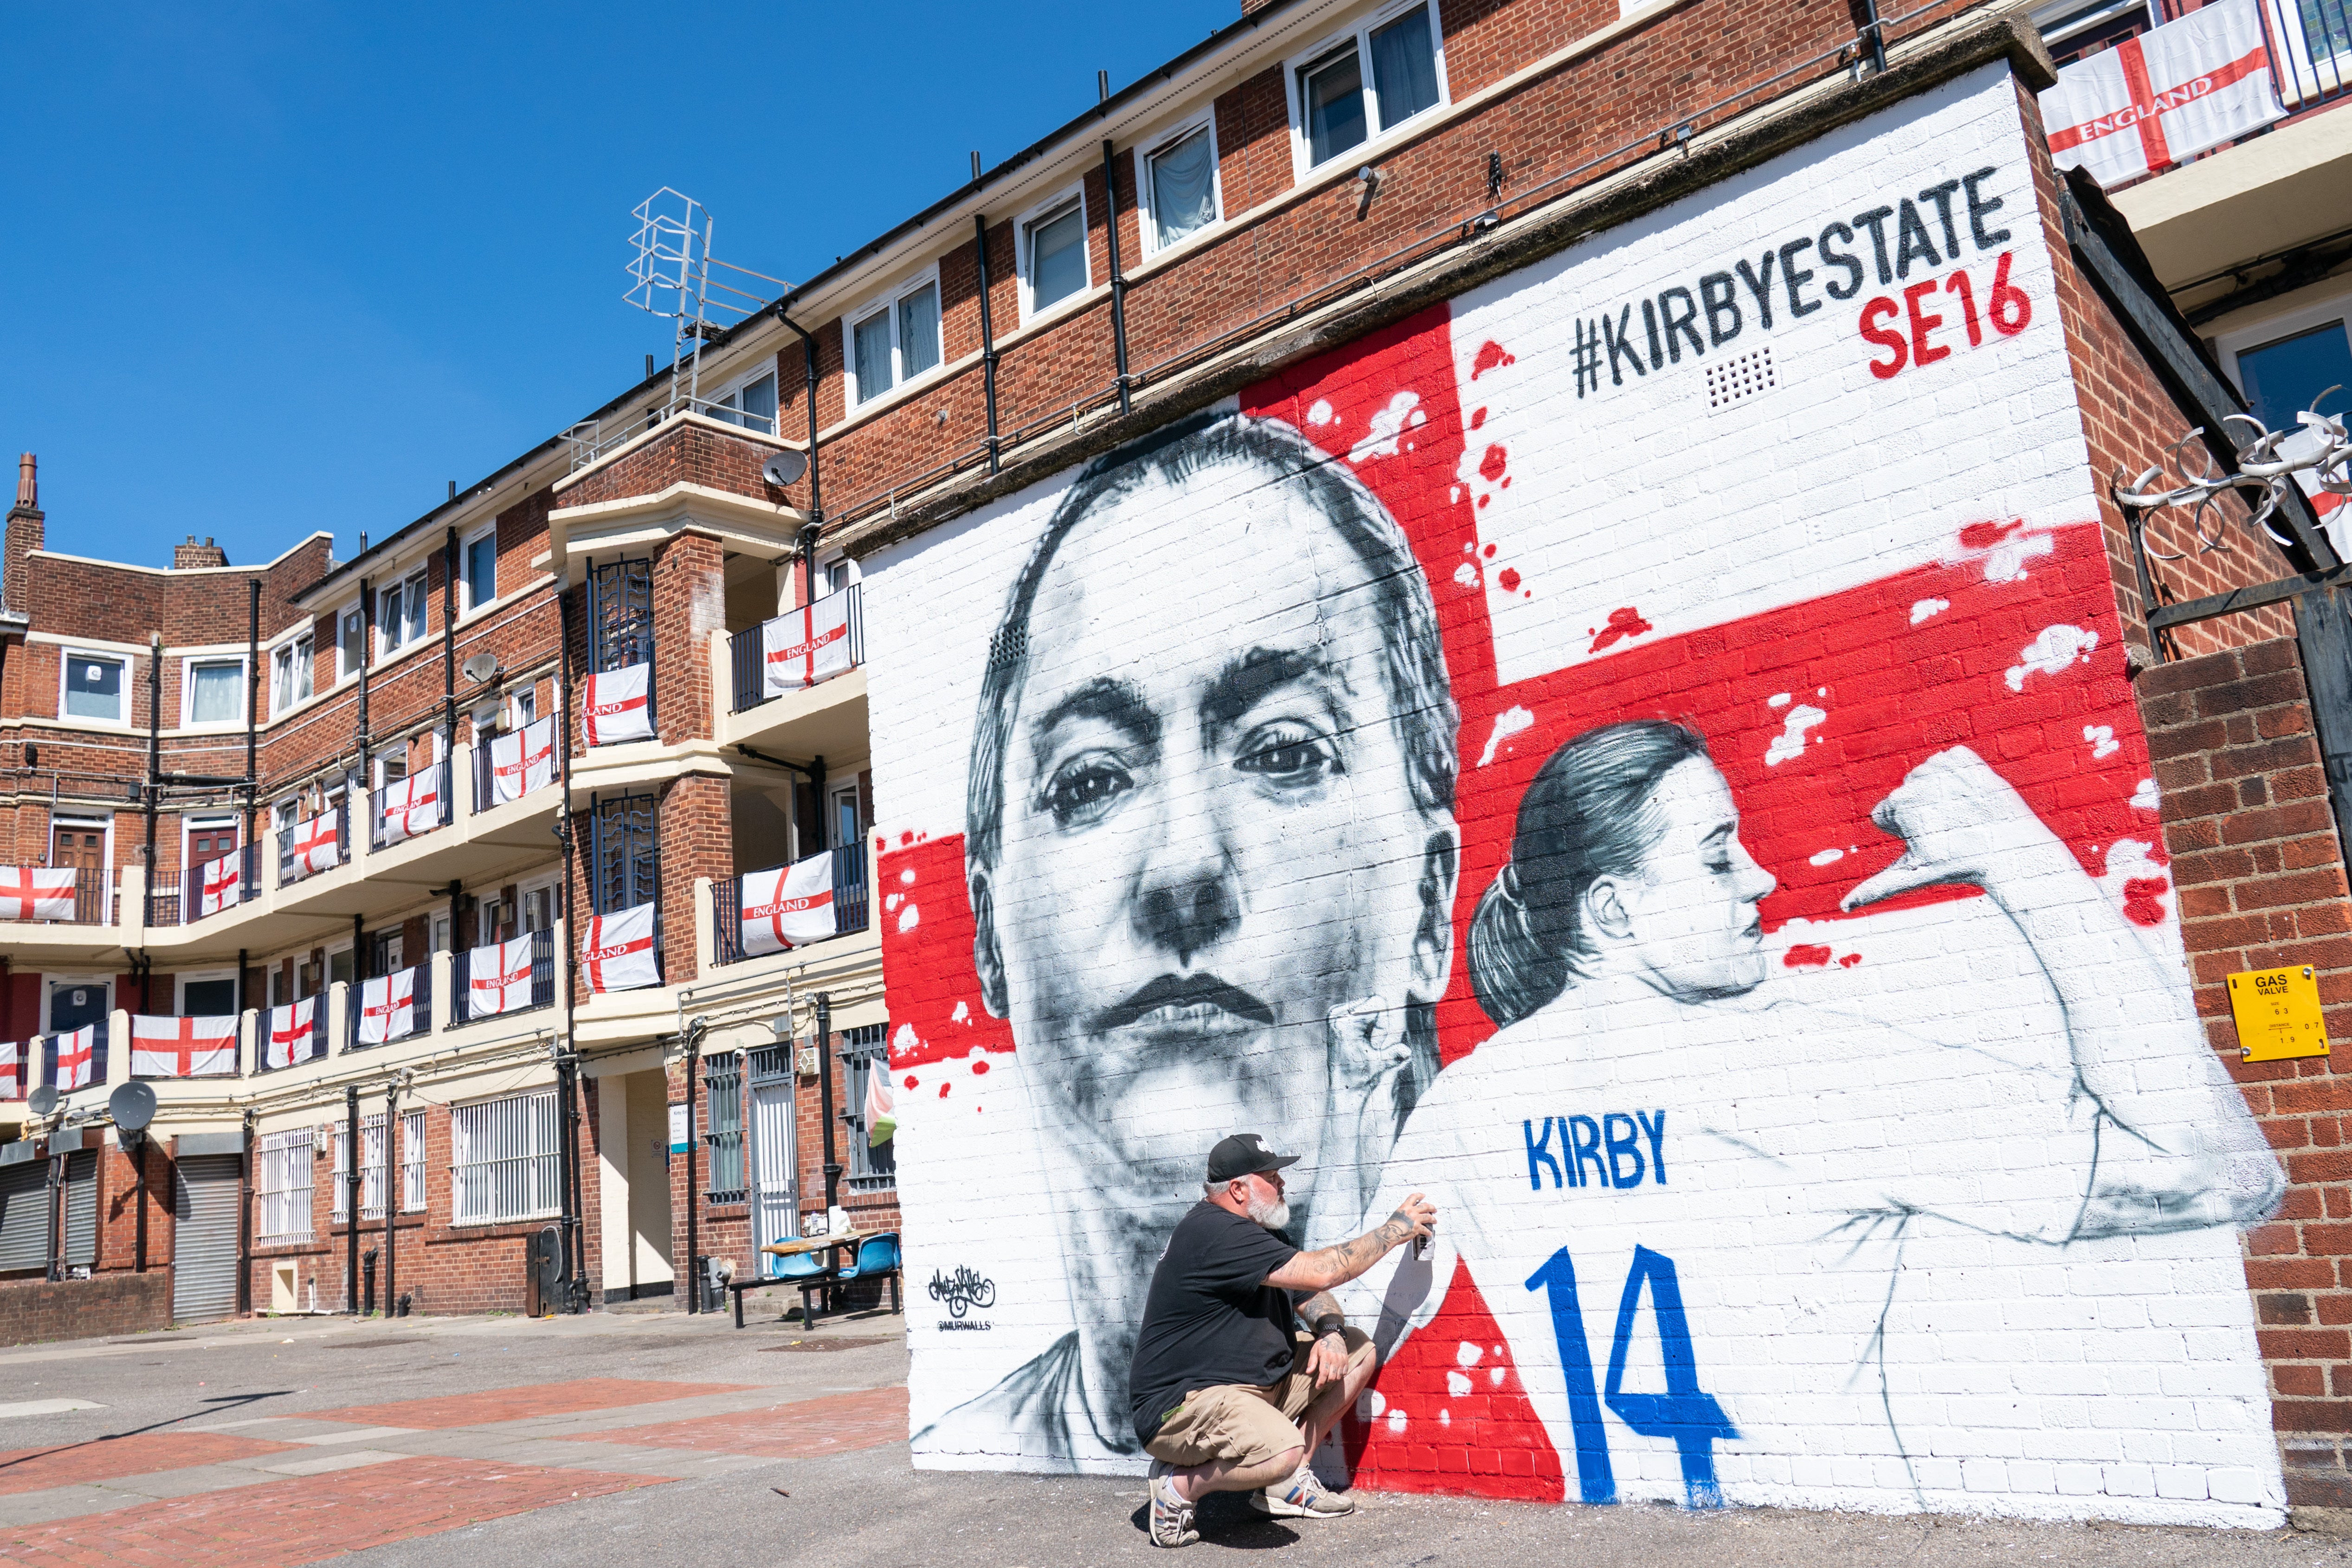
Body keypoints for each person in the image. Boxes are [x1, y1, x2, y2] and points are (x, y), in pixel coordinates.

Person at [1343, 722, 2284, 1516]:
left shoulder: (1467, 1102)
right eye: (1717, 854)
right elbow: (2221, 1173)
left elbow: (1344, 1325)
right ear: (1613, 913)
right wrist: (2020, 854)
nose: (1758, 878)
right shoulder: (1793, 1065)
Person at [915, 410, 1461, 1467]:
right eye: (1091, 778)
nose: (1183, 869)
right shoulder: (968, 1441)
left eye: (1286, 748)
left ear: (1431, 902)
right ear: (988, 925)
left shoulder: (1531, 1353)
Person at [1131, 1134, 1434, 1547]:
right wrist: (1394, 1230)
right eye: (1272, 1177)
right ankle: (1179, 1486)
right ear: (1238, 1189)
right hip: (1185, 1406)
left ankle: (1287, 1485)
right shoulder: (1212, 1233)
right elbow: (1323, 1270)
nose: (1283, 1184)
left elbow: (1310, 1292)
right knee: (1281, 1450)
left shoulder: (1259, 1233)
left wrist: (1330, 1331)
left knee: (1359, 1348)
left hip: (1255, 1387)